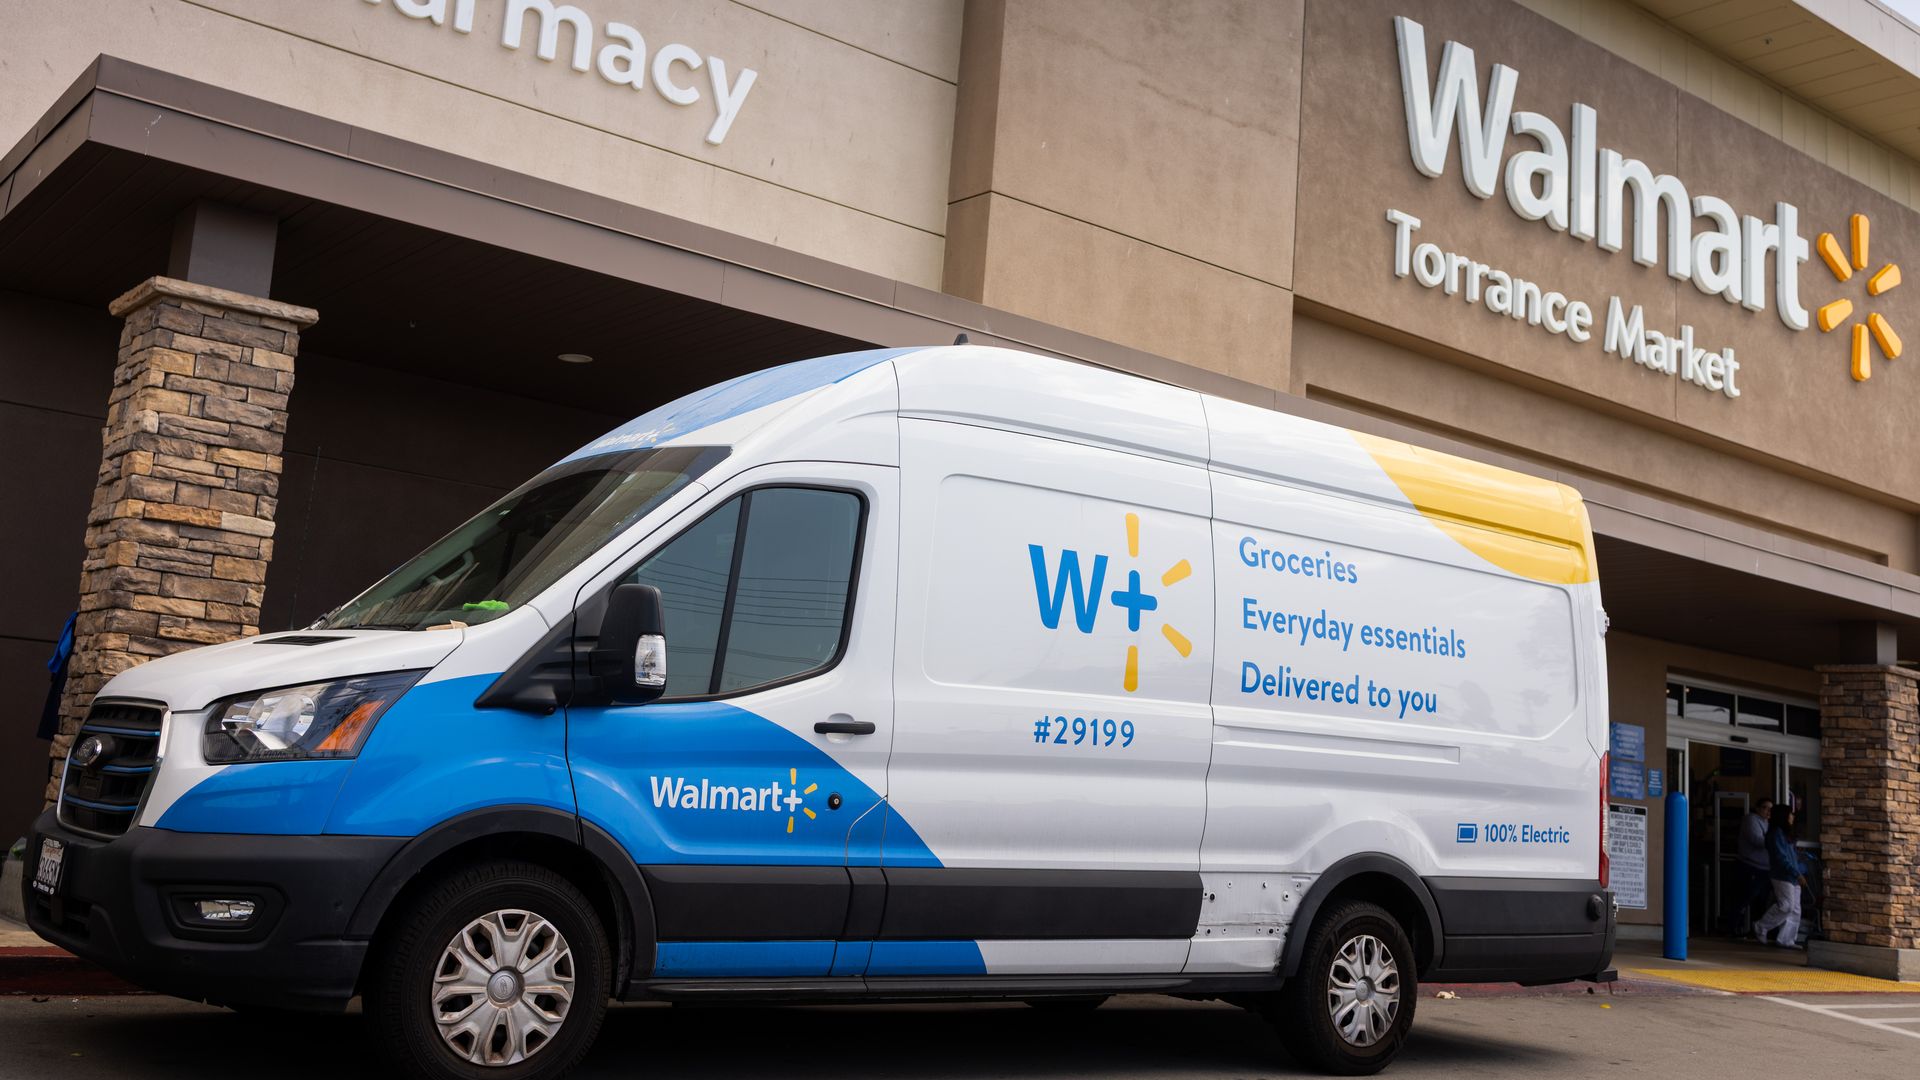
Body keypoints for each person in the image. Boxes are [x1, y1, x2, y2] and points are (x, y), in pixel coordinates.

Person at [1753, 804, 1809, 949]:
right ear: (1783, 816)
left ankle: (1787, 939)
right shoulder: (1776, 834)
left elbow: (1790, 857)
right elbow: (1781, 858)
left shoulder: (1784, 834)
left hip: (1792, 875)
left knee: (1795, 909)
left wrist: (1798, 872)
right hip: (1782, 875)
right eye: (1790, 814)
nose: (1792, 816)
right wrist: (1797, 873)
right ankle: (1761, 926)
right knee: (1787, 906)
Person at [1732, 797, 1773, 934]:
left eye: (1770, 809)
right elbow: (1757, 840)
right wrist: (1775, 842)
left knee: (1760, 901)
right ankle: (1735, 927)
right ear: (1757, 808)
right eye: (1765, 807)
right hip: (1750, 866)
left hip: (1764, 868)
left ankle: (1755, 929)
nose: (1768, 811)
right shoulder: (1751, 819)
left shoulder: (1767, 823)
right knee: (1744, 898)